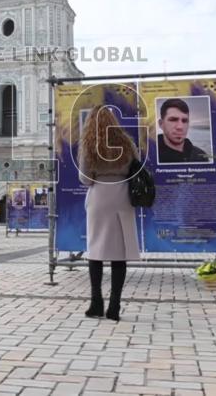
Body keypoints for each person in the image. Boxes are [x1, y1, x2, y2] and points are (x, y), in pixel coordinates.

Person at [78, 105, 140, 322]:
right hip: (122, 196)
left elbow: (85, 178)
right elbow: (135, 167)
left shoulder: (89, 145)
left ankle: (96, 303)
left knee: (95, 250)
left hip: (99, 197)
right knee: (119, 253)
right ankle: (114, 306)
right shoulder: (127, 143)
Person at [156, 98, 209, 164]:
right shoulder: (152, 155)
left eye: (184, 121)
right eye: (173, 120)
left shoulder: (201, 156)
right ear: (161, 124)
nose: (180, 127)